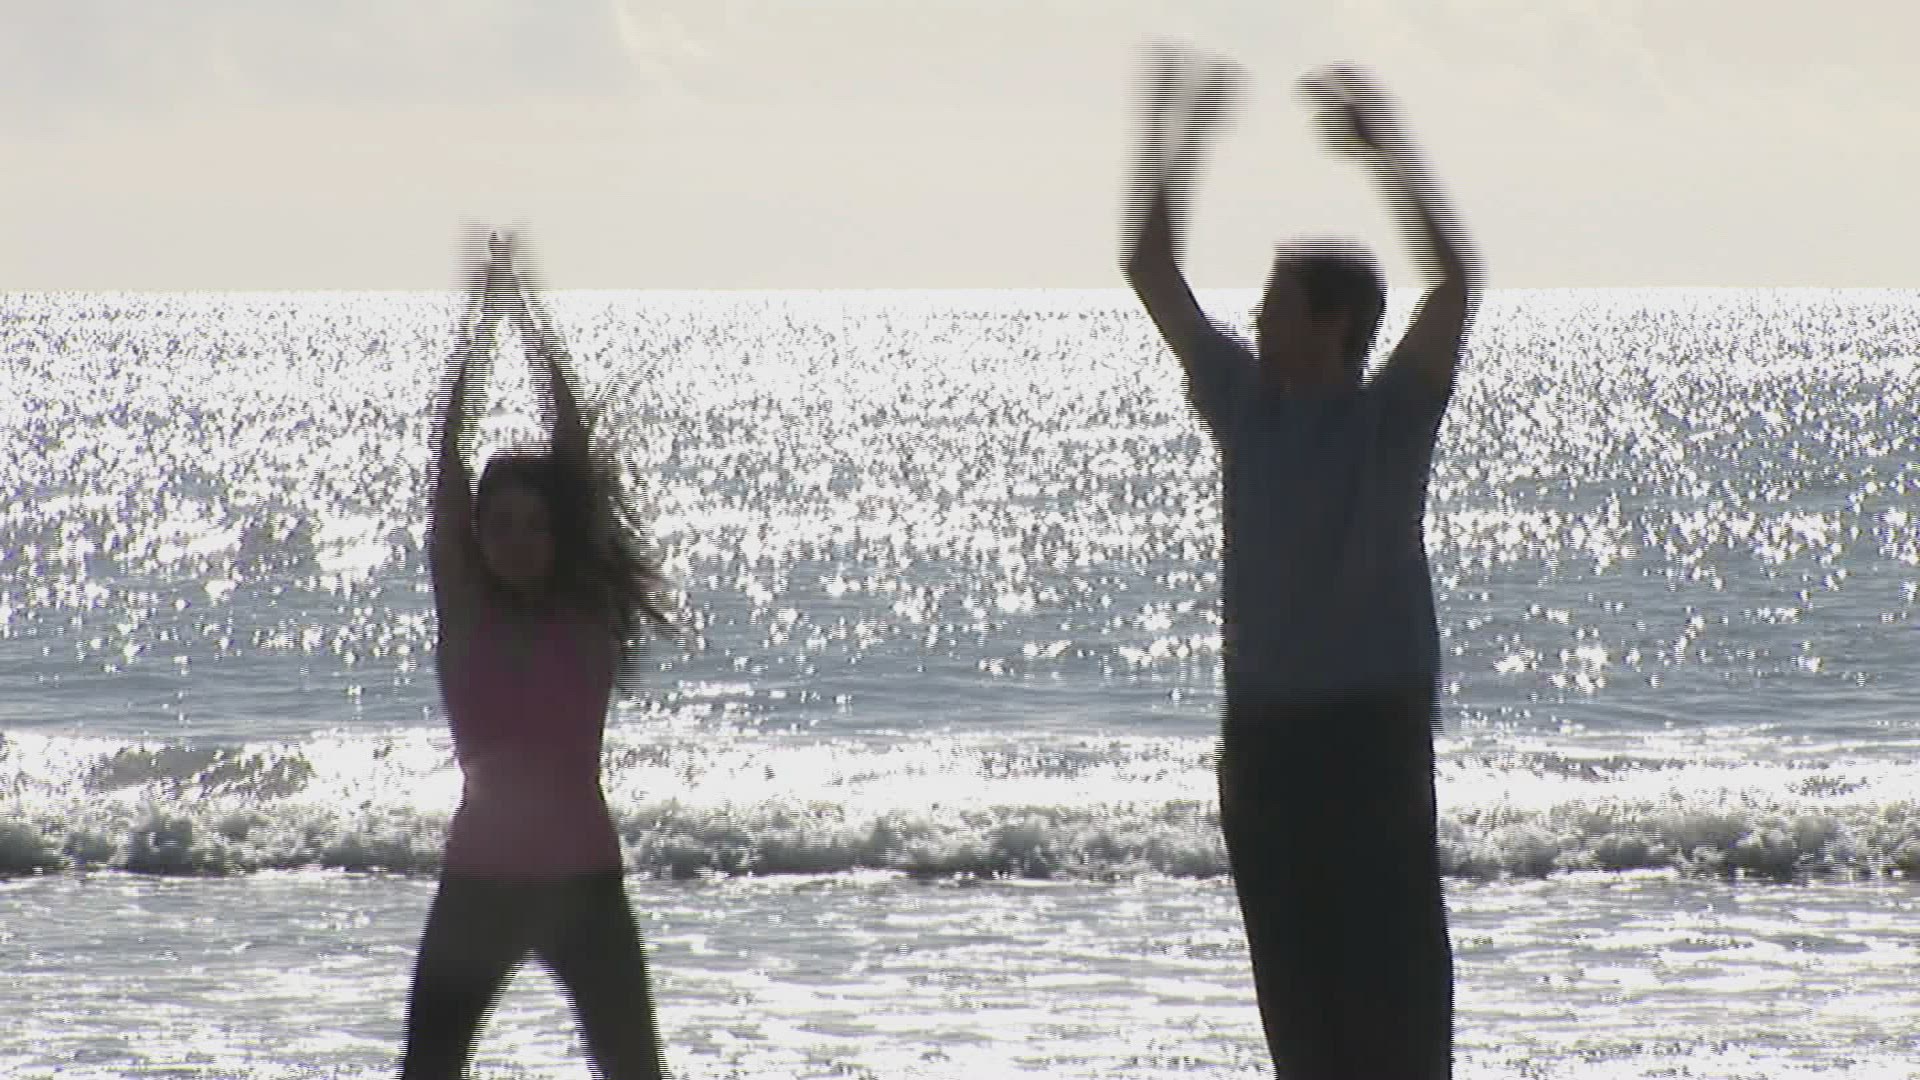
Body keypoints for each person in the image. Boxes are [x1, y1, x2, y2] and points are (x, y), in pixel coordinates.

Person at [1122, 46, 1482, 1080]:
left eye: (1277, 303)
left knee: (1399, 1007)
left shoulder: (1391, 419)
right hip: (1268, 744)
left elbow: (1457, 283)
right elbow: (1148, 269)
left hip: (1372, 738)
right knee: (1301, 1014)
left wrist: (1387, 150)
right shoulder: (1246, 405)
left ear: (1332, 324)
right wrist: (1175, 132)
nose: (1256, 317)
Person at [400, 232, 675, 1080]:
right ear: (476, 535)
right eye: (500, 524)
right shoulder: (467, 608)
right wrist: (479, 324)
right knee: (429, 1069)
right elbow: (446, 452)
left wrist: (526, 314)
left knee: (636, 1071)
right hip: (477, 888)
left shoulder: (584, 611)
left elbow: (572, 440)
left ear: (560, 534)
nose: (517, 539)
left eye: (534, 524)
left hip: (584, 887)